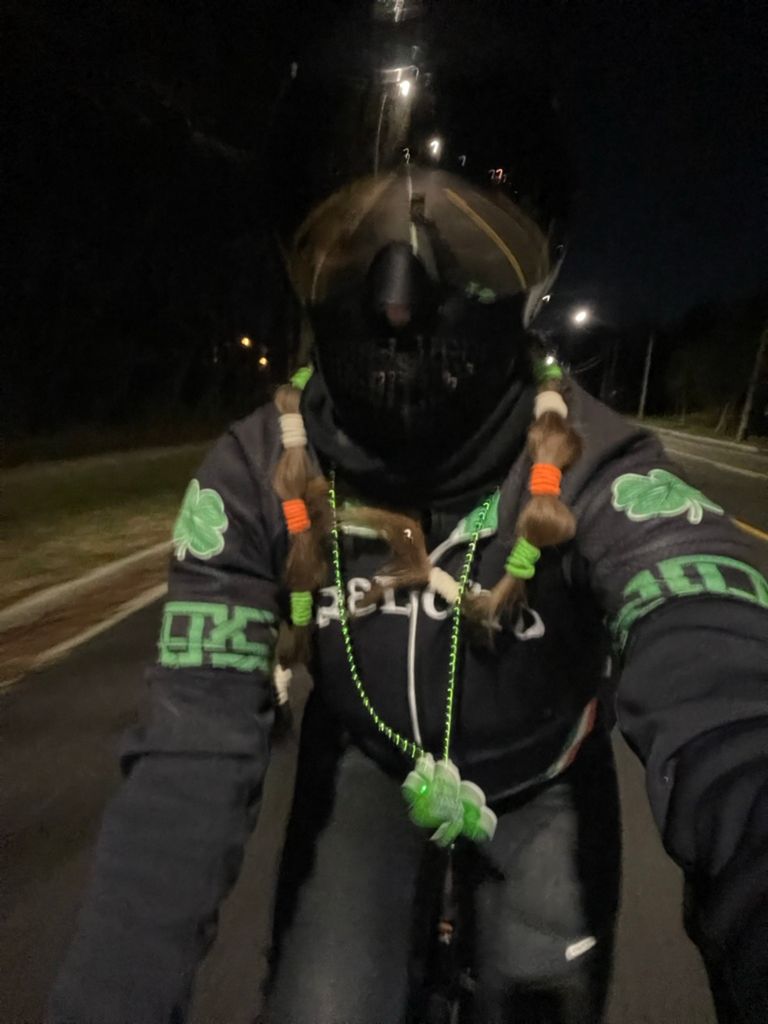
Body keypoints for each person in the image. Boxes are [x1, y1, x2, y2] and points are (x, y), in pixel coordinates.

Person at [49, 4, 768, 1023]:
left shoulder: (606, 474)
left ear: (535, 263)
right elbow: (185, 763)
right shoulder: (250, 481)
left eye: (465, 245)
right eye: (348, 242)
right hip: (370, 765)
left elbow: (727, 695)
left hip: (543, 776)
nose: (397, 293)